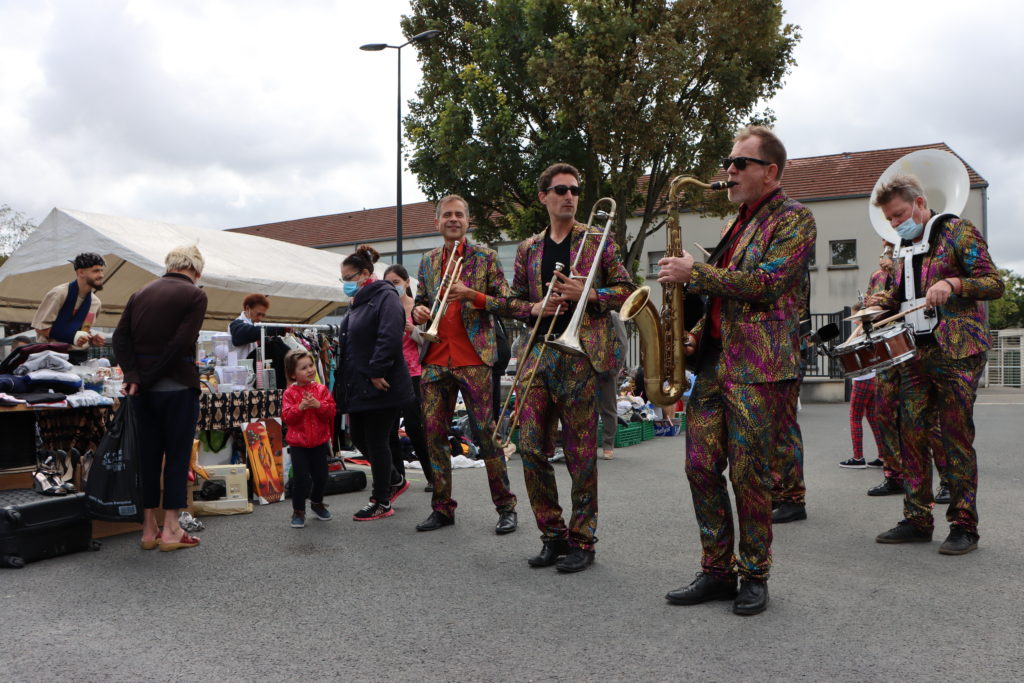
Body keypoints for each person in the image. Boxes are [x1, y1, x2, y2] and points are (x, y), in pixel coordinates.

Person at [657, 127, 816, 615]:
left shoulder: (795, 218)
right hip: (713, 363)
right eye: (729, 162)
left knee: (750, 474)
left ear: (769, 171)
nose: (728, 170)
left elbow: (768, 284)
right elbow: (730, 296)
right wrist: (698, 329)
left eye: (739, 163)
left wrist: (695, 273)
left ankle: (755, 573)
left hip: (759, 368)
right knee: (699, 467)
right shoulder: (739, 222)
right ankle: (717, 570)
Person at [504, 163, 634, 573]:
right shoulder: (527, 249)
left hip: (579, 356)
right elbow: (512, 301)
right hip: (538, 352)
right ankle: (552, 534)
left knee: (580, 455)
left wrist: (589, 293)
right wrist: (534, 307)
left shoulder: (598, 241)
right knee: (529, 447)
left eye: (575, 190)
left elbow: (628, 292)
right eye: (560, 189)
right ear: (543, 196)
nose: (570, 196)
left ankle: (582, 540)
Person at [869, 174, 1003, 555]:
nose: (895, 224)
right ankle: (916, 519)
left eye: (899, 215)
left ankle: (964, 526)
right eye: (890, 220)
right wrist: (879, 305)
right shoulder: (901, 247)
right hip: (915, 353)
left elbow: (993, 282)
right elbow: (897, 295)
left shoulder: (957, 232)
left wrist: (955, 285)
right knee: (910, 433)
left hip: (958, 350)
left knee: (955, 436)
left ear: (920, 202)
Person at [411, 195, 519, 535]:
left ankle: (506, 507)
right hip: (435, 358)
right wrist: (418, 311)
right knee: (434, 436)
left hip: (474, 359)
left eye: (459, 215)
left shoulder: (485, 257)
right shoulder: (427, 261)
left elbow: (508, 302)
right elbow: (421, 301)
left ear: (468, 222)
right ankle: (442, 508)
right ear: (437, 222)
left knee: (487, 436)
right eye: (447, 215)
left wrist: (473, 295)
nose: (453, 219)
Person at [113, 245, 208, 552]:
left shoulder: (140, 293)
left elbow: (119, 337)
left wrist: (134, 376)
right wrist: (150, 375)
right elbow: (181, 343)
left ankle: (147, 529)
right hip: (178, 387)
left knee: (148, 458)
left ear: (169, 265)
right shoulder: (195, 295)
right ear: (196, 269)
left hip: (142, 392)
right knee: (178, 458)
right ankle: (172, 528)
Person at [334, 245, 414, 522]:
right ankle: (393, 479)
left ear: (365, 273)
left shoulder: (384, 297)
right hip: (359, 385)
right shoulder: (359, 302)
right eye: (342, 278)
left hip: (381, 383)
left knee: (377, 440)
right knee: (358, 437)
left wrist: (378, 370)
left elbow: (389, 335)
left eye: (348, 277)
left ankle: (381, 499)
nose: (345, 282)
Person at [383, 264, 433, 491]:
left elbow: (430, 342)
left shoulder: (417, 308)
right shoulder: (384, 309)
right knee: (390, 429)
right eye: (388, 283)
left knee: (415, 427)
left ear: (406, 283)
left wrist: (411, 330)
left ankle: (433, 477)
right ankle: (398, 479)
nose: (393, 287)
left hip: (414, 373)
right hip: (389, 373)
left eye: (396, 282)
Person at [771, 266, 811, 523]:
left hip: (786, 348)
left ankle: (793, 498)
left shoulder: (785, 256)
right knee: (772, 429)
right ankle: (778, 491)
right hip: (774, 348)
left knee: (784, 428)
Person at [281, 348, 337, 528]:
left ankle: (317, 502)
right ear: (293, 374)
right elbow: (287, 417)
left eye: (311, 365)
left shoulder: (321, 389)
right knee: (301, 479)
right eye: (303, 368)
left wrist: (318, 405)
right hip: (299, 445)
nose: (310, 370)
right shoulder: (289, 393)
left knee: (322, 476)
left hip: (320, 442)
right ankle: (298, 511)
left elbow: (331, 412)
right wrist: (301, 407)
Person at [32, 252, 106, 362]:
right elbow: (40, 327)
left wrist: (92, 340)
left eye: (101, 270)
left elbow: (83, 331)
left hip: (80, 357)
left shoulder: (95, 303)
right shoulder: (59, 294)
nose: (101, 275)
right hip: (51, 355)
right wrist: (72, 336)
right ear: (80, 272)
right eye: (95, 271)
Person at [596, 311, 628, 460]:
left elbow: (622, 342)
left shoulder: (613, 316)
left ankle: (608, 445)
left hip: (607, 368)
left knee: (608, 408)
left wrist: (615, 369)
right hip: (587, 368)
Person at [228, 293, 272, 360]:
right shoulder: (235, 325)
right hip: (238, 369)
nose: (260, 318)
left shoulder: (256, 326)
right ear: (247, 308)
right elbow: (250, 332)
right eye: (258, 314)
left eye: (263, 315)